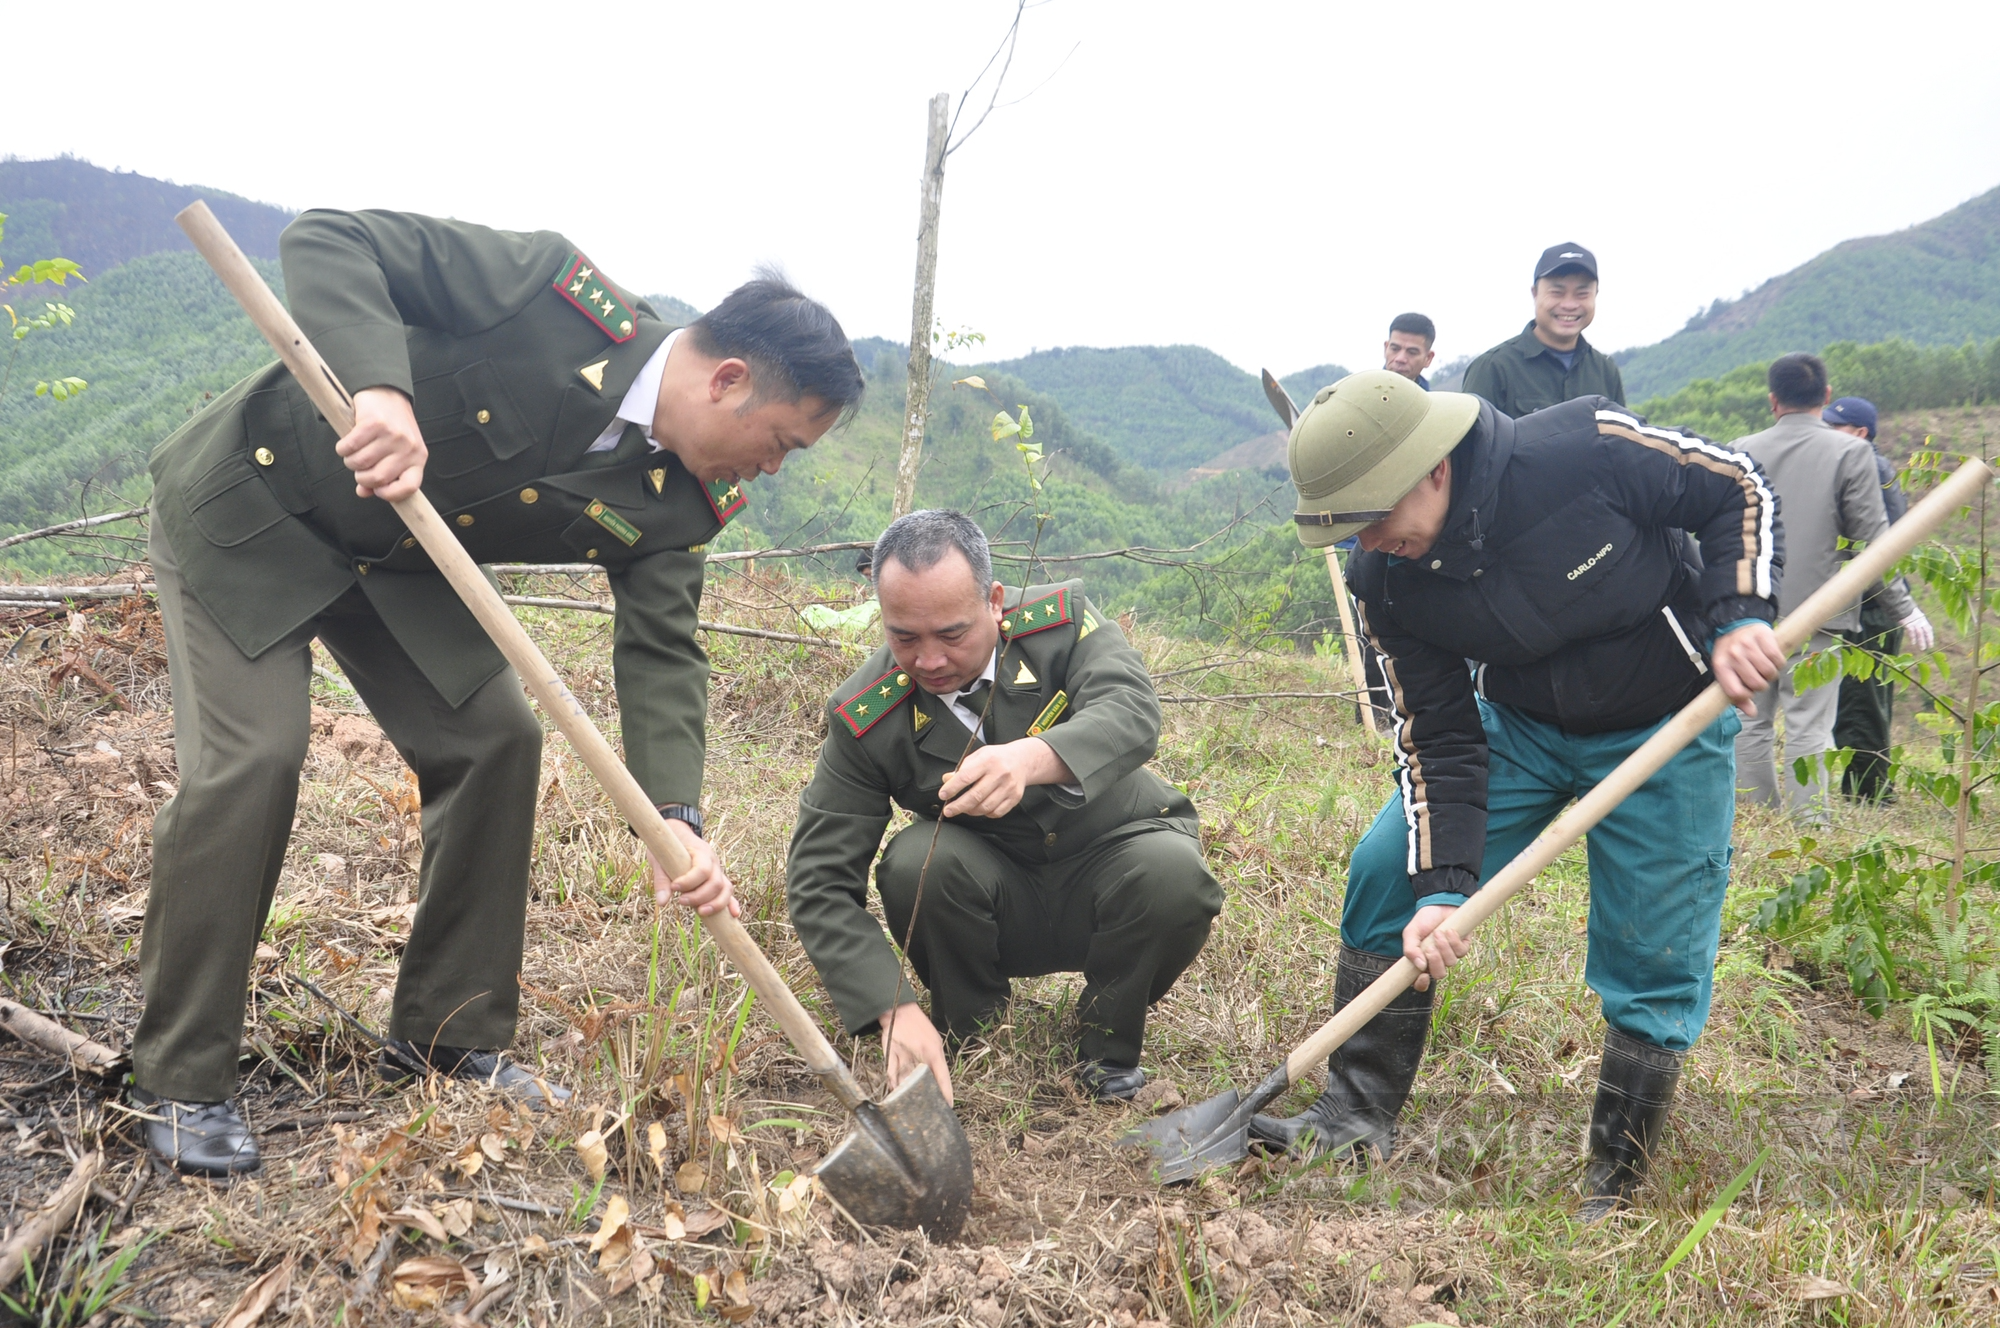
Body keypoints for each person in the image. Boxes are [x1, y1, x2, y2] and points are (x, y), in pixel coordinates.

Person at [137, 209, 864, 1176]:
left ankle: (447, 1035)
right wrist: (383, 393)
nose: (771, 470)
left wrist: (676, 816)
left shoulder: (684, 498)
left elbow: (663, 651)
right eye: (779, 443)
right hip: (251, 507)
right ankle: (181, 1077)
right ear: (728, 380)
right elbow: (328, 240)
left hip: (393, 564)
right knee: (257, 756)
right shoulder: (546, 295)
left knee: (495, 742)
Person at [1258, 370, 1787, 1219]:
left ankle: (1613, 1180)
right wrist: (1442, 888)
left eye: (1376, 514)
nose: (1370, 539)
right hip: (1523, 727)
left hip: (1666, 722)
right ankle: (1354, 1114)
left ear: (1432, 468)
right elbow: (1437, 732)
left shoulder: (1586, 449)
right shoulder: (1383, 577)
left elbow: (1738, 486)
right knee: (1390, 867)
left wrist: (1741, 612)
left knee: (1655, 950)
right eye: (1351, 525)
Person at [785, 510, 1222, 1103]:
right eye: (904, 637)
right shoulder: (866, 714)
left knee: (1173, 875)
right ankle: (972, 1033)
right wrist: (890, 1008)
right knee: (917, 863)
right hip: (988, 889)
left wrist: (1029, 759)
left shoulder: (1060, 625)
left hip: (1115, 859)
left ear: (994, 601)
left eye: (952, 634)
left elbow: (1132, 710)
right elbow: (818, 881)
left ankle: (1106, 1048)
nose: (930, 660)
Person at [1731, 359, 1930, 819]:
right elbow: (1872, 542)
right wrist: (1904, 607)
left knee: (1750, 721)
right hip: (1818, 614)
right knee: (1809, 723)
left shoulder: (1741, 448)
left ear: (1772, 400)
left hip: (1750, 609)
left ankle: (1757, 818)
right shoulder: (1851, 453)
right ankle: (1808, 823)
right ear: (1826, 395)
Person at [1823, 396, 1929, 801]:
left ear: (1860, 433)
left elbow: (1875, 545)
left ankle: (1868, 794)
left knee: (1860, 703)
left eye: (1836, 426)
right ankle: (1865, 788)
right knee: (1857, 701)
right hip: (1870, 601)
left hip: (1872, 605)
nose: (1828, 433)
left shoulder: (1867, 466)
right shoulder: (1863, 464)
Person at [1462, 243, 1624, 415]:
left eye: (1582, 294)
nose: (1569, 305)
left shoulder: (1605, 371)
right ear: (1535, 293)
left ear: (1595, 295)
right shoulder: (1493, 367)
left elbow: (1622, 439)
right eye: (1557, 292)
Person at [1383, 313, 1437, 388]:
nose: (1400, 359)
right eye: (1395, 349)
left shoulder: (1433, 399)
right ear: (1386, 348)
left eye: (1412, 353)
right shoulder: (1363, 391)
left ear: (1428, 358)